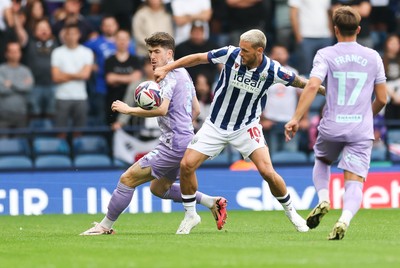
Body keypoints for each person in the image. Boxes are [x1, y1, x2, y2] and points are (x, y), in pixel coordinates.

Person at [154, 29, 326, 234]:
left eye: (245, 50)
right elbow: (199, 58)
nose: (240, 52)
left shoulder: (273, 69)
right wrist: (168, 67)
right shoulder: (231, 54)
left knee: (267, 172)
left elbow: (300, 82)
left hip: (247, 126)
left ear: (259, 50)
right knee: (186, 165)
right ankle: (191, 215)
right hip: (216, 125)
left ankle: (292, 213)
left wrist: (325, 90)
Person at [80, 32, 228, 236]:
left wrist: (129, 109)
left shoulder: (169, 75)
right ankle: (211, 202)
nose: (152, 57)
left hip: (173, 144)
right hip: (185, 140)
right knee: (158, 189)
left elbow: (162, 109)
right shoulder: (184, 73)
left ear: (169, 53)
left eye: (157, 52)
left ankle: (104, 226)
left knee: (127, 179)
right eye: (150, 52)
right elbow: (195, 111)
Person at [284, 6, 387, 240]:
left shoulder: (325, 54)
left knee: (322, 159)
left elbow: (311, 85)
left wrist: (296, 118)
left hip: (332, 126)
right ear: (359, 29)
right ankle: (344, 219)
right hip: (360, 129)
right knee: (354, 180)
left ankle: (323, 199)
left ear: (335, 29)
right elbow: (382, 98)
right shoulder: (373, 57)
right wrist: (365, 116)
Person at [51, 23, 93, 138]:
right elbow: (55, 77)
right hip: (62, 96)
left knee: (79, 131)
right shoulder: (57, 52)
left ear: (78, 35)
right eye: (68, 34)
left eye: (74, 33)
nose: (71, 36)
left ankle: (77, 153)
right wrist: (77, 74)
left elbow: (85, 75)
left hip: (81, 97)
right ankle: (61, 153)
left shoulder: (86, 52)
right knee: (61, 131)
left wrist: (64, 74)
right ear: (64, 35)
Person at [104, 29, 142, 125]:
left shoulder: (135, 60)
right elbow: (109, 79)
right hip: (113, 100)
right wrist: (129, 78)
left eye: (125, 39)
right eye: (120, 39)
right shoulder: (109, 60)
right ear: (115, 41)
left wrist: (117, 78)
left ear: (129, 41)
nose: (122, 42)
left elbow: (137, 78)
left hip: (132, 101)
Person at [0, 41, 34, 132]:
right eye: (12, 51)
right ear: (6, 54)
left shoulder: (26, 70)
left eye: (17, 51)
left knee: (21, 142)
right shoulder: (1, 70)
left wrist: (11, 84)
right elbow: (2, 89)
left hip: (21, 113)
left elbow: (28, 88)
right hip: (3, 113)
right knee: (3, 143)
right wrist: (20, 85)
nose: (15, 54)